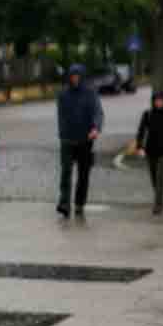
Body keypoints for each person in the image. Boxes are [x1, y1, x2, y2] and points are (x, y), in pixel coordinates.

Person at [55, 63, 105, 218]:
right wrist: (63, 134)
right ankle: (64, 203)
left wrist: (95, 128)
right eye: (72, 76)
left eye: (78, 76)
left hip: (85, 140)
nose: (75, 79)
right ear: (69, 78)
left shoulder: (90, 93)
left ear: (82, 77)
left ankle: (79, 203)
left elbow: (98, 112)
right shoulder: (63, 95)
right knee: (66, 173)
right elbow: (61, 117)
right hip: (68, 139)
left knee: (83, 174)